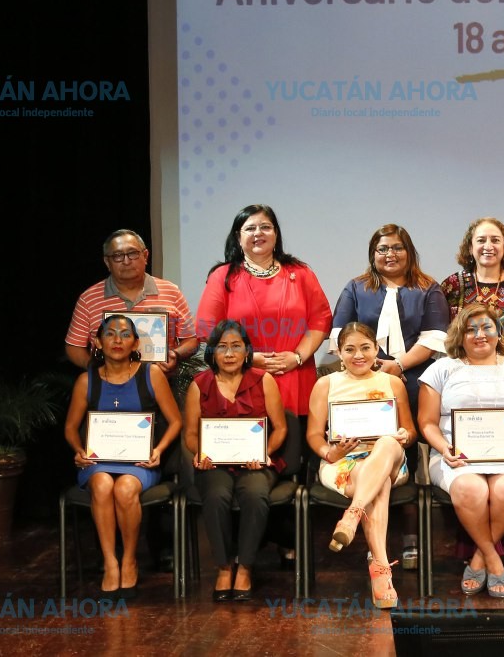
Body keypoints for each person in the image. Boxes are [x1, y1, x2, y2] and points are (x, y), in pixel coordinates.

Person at [333, 223, 449, 569]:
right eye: (382, 249)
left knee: (408, 463)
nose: (389, 254)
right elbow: (340, 336)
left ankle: (410, 539)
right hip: (363, 382)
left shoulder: (428, 289)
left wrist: (397, 366)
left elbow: (434, 340)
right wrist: (369, 366)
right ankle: (377, 541)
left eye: (397, 248)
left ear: (409, 251)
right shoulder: (356, 288)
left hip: (415, 381)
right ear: (373, 254)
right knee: (371, 458)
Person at [418, 304, 504, 599]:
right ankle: (493, 559)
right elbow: (426, 422)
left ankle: (478, 558)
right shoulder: (441, 369)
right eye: (471, 329)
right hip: (454, 456)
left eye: (487, 327)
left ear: (498, 332)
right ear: (459, 335)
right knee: (470, 490)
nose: (480, 335)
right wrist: (444, 448)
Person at [63, 315, 183, 597]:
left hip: (139, 461)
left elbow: (176, 421)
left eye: (125, 334)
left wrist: (158, 450)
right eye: (110, 334)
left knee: (126, 487)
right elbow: (70, 428)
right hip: (98, 461)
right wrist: (79, 451)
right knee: (103, 484)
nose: (117, 340)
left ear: (136, 343)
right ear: (97, 342)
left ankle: (129, 559)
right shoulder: (86, 380)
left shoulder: (151, 374)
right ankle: (109, 562)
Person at [306, 321, 416, 609]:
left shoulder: (391, 382)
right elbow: (314, 435)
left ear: (377, 349)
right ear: (339, 353)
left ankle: (352, 514)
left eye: (365, 348)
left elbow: (410, 431)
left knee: (387, 443)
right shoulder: (325, 384)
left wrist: (404, 436)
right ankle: (381, 567)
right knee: (379, 485)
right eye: (350, 349)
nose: (359, 355)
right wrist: (330, 453)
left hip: (390, 458)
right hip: (343, 462)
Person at [183, 320, 288, 601]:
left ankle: (245, 567)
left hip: (257, 463)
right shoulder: (199, 385)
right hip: (214, 465)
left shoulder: (264, 380)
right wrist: (199, 453)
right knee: (216, 495)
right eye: (222, 347)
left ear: (246, 351)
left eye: (236, 347)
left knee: (254, 494)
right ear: (212, 353)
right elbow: (191, 434)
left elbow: (280, 429)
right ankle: (223, 566)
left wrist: (264, 453)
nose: (229, 354)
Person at [196, 205, 331, 418]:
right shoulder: (222, 276)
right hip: (243, 378)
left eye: (265, 227)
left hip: (296, 375)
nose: (258, 233)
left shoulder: (301, 273)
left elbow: (321, 320)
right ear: (238, 237)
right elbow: (207, 328)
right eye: (250, 228)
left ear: (276, 234)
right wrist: (248, 357)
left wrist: (296, 357)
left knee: (295, 445)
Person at [66, 228, 197, 375]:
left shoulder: (171, 292)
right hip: (108, 387)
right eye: (117, 256)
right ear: (107, 262)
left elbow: (191, 340)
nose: (126, 261)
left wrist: (175, 354)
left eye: (133, 253)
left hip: (161, 385)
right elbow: (73, 346)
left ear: (145, 256)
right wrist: (95, 368)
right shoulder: (89, 299)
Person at [442, 216, 504, 377]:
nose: (488, 246)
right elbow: (444, 334)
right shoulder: (453, 285)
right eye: (481, 240)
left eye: (495, 240)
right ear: (470, 247)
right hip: (464, 375)